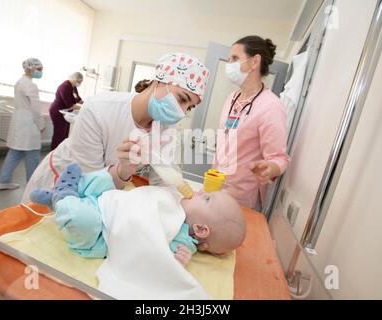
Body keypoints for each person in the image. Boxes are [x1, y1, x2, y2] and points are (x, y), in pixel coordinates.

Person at [22, 53, 210, 203]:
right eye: (182, 99)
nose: (182, 112)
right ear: (159, 81)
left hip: (107, 190)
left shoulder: (168, 131)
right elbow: (88, 180)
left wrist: (183, 208)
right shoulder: (99, 109)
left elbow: (165, 182)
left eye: (190, 107)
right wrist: (122, 171)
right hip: (64, 179)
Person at [30, 163, 246, 263]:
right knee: (106, 181)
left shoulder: (181, 239)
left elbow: (158, 259)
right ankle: (71, 194)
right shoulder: (177, 200)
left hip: (102, 232)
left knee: (81, 219)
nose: (200, 191)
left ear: (200, 229)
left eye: (206, 198)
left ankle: (63, 195)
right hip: (108, 203)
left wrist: (178, 260)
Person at [214, 36, 290, 209]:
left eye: (235, 58)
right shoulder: (231, 98)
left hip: (243, 196)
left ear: (255, 61)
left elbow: (279, 158)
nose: (229, 63)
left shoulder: (271, 106)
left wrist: (270, 167)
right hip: (217, 187)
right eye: (229, 58)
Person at [0, 58, 46, 191]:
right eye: (39, 69)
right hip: (29, 123)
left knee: (15, 153)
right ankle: (32, 186)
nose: (41, 72)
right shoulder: (31, 85)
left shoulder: (19, 82)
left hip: (19, 121)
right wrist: (41, 125)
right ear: (30, 68)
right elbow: (35, 109)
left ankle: (3, 181)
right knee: (33, 155)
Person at [49, 72, 84, 150]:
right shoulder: (64, 87)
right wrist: (84, 108)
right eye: (79, 82)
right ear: (75, 79)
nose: (80, 84)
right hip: (57, 112)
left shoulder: (73, 87)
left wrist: (87, 102)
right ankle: (54, 151)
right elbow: (70, 105)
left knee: (65, 134)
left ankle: (61, 151)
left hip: (66, 112)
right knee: (59, 133)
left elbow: (78, 99)